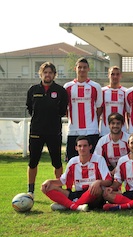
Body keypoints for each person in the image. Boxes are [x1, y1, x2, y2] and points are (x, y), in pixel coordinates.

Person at [25, 62, 68, 197]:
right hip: (36, 131)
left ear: (54, 75)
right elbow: (30, 109)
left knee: (57, 162)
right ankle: (30, 190)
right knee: (33, 161)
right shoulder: (33, 89)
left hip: (53, 131)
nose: (47, 75)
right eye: (45, 72)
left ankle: (59, 189)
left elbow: (62, 111)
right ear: (40, 73)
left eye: (50, 72)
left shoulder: (60, 91)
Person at [41, 136, 112, 212]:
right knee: (46, 187)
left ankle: (69, 205)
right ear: (76, 148)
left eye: (85, 146)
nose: (82, 148)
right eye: (80, 146)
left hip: (92, 193)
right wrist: (49, 181)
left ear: (90, 147)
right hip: (77, 194)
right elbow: (62, 181)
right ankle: (76, 206)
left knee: (97, 189)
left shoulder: (98, 159)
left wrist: (99, 182)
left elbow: (109, 181)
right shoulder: (73, 161)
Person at [64, 57, 103, 160]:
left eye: (84, 67)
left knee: (93, 160)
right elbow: (65, 108)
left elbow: (99, 108)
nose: (82, 70)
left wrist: (93, 120)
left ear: (88, 69)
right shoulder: (68, 87)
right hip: (73, 130)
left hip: (91, 130)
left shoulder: (95, 86)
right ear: (75, 68)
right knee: (72, 160)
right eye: (79, 67)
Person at [99, 66, 127, 136]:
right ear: (108, 75)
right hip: (105, 131)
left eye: (117, 74)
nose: (115, 76)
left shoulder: (126, 92)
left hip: (122, 131)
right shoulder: (102, 92)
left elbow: (129, 113)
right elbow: (98, 112)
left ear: (121, 76)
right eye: (112, 74)